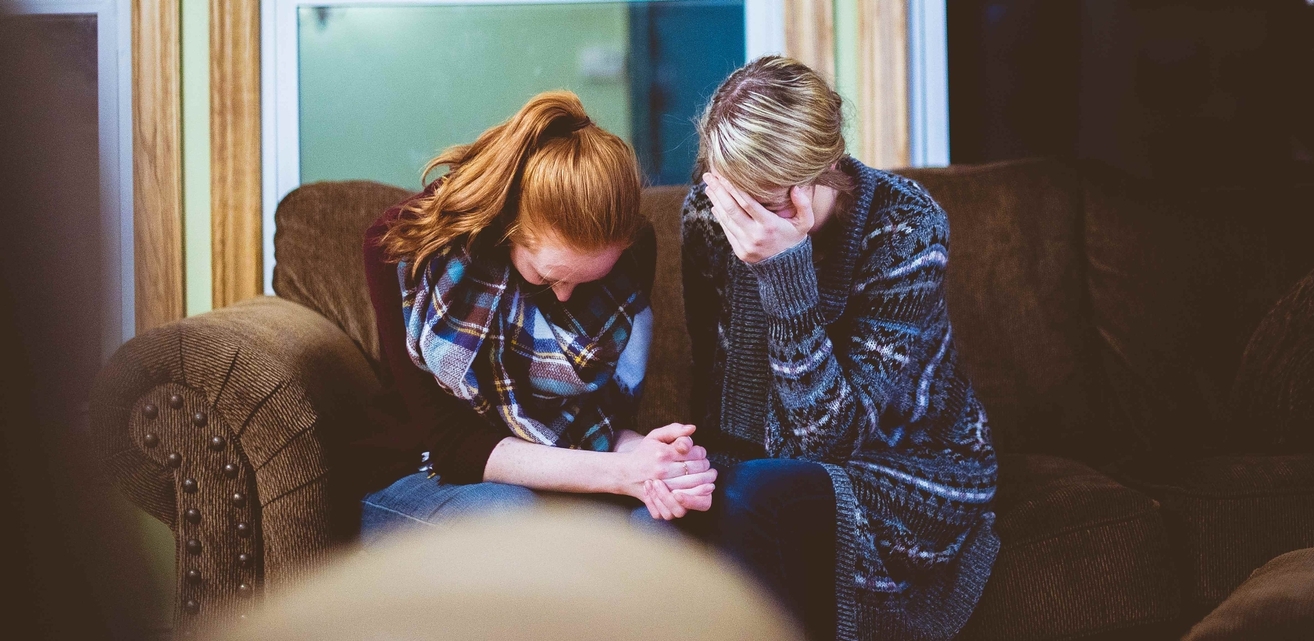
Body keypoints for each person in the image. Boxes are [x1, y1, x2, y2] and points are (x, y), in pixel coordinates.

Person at [679, 57, 1001, 640]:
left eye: (769, 202)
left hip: (909, 465)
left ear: (825, 169)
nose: (747, 223)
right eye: (736, 199)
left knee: (757, 495)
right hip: (767, 464)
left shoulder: (906, 227)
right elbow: (717, 387)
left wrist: (785, 273)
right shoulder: (710, 215)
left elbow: (828, 443)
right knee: (673, 509)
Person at [358, 91, 715, 542]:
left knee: (662, 527)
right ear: (508, 225)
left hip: (559, 469)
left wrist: (656, 460)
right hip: (421, 472)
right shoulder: (404, 248)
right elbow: (453, 447)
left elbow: (599, 422)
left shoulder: (631, 252)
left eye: (586, 281)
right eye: (547, 278)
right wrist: (622, 474)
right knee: (512, 517)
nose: (565, 297)